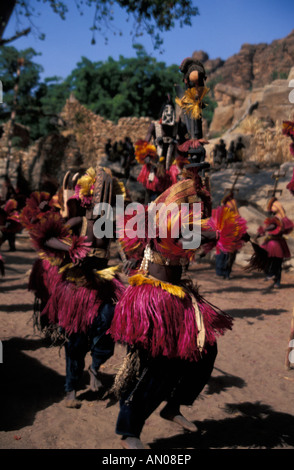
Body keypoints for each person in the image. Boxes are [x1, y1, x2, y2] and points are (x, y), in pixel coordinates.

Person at [109, 164, 248, 449]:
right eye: (190, 208)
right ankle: (129, 432)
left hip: (179, 299)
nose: (194, 214)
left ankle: (173, 406)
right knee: (155, 368)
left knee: (206, 349)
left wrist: (221, 229)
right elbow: (196, 236)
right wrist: (222, 233)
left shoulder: (180, 224)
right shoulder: (163, 225)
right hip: (153, 303)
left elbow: (200, 231)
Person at [25, 166, 126, 407]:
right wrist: (70, 248)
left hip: (102, 288)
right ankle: (71, 388)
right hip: (77, 291)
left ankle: (95, 367)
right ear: (89, 199)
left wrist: (133, 258)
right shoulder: (79, 221)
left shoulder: (111, 224)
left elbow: (127, 244)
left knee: (109, 327)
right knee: (76, 342)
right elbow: (45, 238)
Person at [255, 197, 293, 288]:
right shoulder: (280, 218)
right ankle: (274, 278)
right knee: (275, 262)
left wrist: (263, 231)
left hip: (274, 243)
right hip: (275, 242)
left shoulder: (277, 219)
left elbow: (272, 226)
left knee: (274, 261)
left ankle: (273, 277)